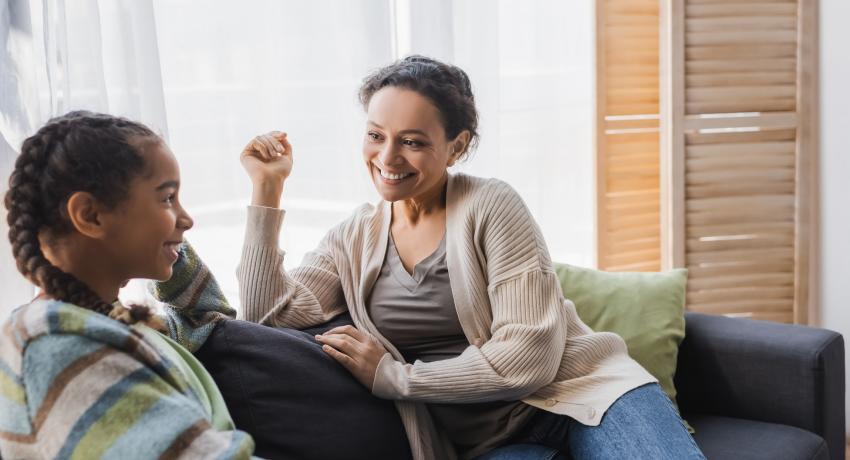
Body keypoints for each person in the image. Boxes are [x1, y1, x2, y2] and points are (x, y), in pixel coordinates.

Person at [235, 55, 706, 460]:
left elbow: (528, 357)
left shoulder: (491, 205)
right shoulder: (353, 239)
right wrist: (267, 188)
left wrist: (396, 378)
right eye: (376, 135)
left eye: (413, 141)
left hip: (589, 396)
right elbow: (264, 318)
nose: (388, 157)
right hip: (490, 443)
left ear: (456, 146)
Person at [0, 111, 256, 459]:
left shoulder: (111, 319)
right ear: (91, 216)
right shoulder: (57, 346)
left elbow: (208, 320)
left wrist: (169, 245)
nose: (188, 218)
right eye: (167, 198)